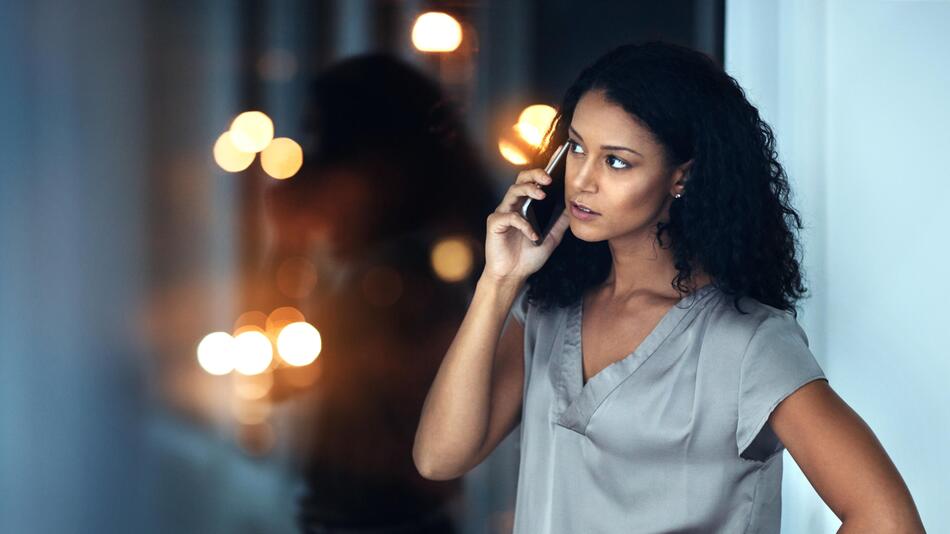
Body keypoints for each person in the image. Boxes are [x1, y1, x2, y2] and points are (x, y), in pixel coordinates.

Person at [413, 40, 925, 533]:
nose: (583, 180)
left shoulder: (745, 344)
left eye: (616, 161)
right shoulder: (547, 312)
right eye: (575, 147)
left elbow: (888, 520)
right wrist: (498, 283)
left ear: (682, 176)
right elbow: (439, 458)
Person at [265, 53, 498, 533]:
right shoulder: (395, 273)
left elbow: (390, 451)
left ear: (376, 164)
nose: (310, 170)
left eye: (322, 143)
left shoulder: (398, 284)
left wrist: (289, 248)